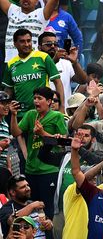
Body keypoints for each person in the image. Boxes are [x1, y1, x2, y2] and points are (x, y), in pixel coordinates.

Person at [9, 86, 67, 218]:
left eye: (39, 98)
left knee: (47, 207)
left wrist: (42, 133)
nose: (36, 101)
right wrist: (13, 115)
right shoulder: (30, 115)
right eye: (34, 98)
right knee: (32, 206)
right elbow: (16, 132)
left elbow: (63, 142)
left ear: (49, 101)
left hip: (48, 169)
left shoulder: (57, 116)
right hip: (31, 169)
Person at [0, 0, 63, 64]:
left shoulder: (41, 14)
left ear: (37, 1)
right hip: (11, 64)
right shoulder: (12, 10)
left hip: (32, 65)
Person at [3, 29, 63, 117]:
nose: (26, 44)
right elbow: (8, 90)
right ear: (15, 44)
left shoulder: (43, 57)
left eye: (29, 41)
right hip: (20, 114)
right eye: (22, 41)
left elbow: (58, 82)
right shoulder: (10, 64)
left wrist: (61, 107)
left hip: (42, 113)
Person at [37, 31, 86, 107]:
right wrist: (54, 61)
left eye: (56, 44)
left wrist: (75, 63)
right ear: (39, 47)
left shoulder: (65, 63)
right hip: (43, 111)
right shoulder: (36, 64)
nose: (53, 46)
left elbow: (82, 80)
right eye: (49, 44)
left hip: (64, 111)